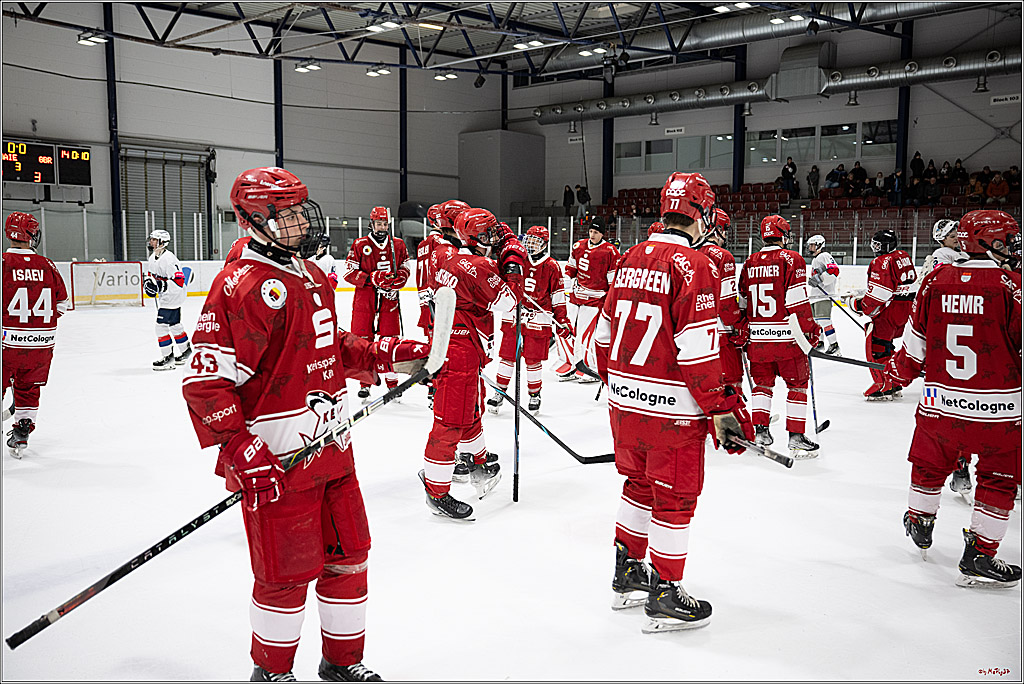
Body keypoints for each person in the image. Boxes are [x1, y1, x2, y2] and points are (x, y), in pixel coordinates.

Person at [182, 166, 430, 682]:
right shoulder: (240, 287)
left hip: (333, 451)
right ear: (253, 220)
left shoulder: (311, 274)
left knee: (350, 556)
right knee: (286, 573)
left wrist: (387, 354)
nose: (301, 221)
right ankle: (271, 671)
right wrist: (238, 448)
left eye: (300, 210)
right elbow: (206, 382)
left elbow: (331, 347)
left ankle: (342, 661)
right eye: (287, 213)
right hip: (279, 463)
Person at [594, 171, 754, 633]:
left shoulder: (629, 256)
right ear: (701, 215)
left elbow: (602, 335)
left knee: (637, 485)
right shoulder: (696, 264)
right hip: (673, 412)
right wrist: (721, 408)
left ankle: (628, 574)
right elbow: (698, 350)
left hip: (624, 402)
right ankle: (665, 591)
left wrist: (619, 385)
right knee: (675, 497)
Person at [886, 209, 1021, 587]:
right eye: (1008, 240)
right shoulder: (1011, 285)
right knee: (999, 479)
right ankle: (980, 553)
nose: (1013, 246)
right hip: (998, 411)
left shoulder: (935, 280)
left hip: (939, 404)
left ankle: (920, 520)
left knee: (928, 465)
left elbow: (914, 344)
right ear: (989, 242)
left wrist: (898, 373)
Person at [419, 208, 526, 519]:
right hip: (459, 349)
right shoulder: (477, 266)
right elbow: (510, 302)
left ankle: (477, 460)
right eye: (490, 233)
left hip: (457, 343)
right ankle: (437, 492)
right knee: (450, 420)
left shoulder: (448, 256)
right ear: (476, 237)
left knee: (470, 410)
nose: (495, 237)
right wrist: (513, 261)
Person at [738, 215, 821, 458]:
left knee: (761, 386)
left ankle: (761, 433)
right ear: (782, 235)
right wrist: (810, 330)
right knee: (797, 384)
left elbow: (742, 301)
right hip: (787, 340)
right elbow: (797, 302)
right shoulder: (792, 259)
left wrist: (744, 328)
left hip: (757, 340)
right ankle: (796, 437)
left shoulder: (750, 261)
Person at [2, 212, 68, 458]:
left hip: (6, 344)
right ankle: (22, 429)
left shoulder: (3, 263)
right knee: (28, 388)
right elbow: (62, 304)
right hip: (41, 345)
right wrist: (36, 326)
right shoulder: (47, 265)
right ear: (30, 234)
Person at [486, 225, 572, 415]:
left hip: (538, 319)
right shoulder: (518, 260)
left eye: (536, 241)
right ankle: (499, 392)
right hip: (514, 316)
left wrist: (562, 320)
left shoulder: (551, 266)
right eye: (529, 241)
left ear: (545, 244)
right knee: (507, 357)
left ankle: (534, 394)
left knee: (533, 360)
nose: (531, 245)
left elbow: (558, 297)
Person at [343, 206, 411, 401]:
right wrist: (372, 278)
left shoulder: (398, 245)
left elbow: (406, 267)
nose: (382, 227)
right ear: (371, 224)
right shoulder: (360, 244)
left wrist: (400, 278)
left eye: (384, 224)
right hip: (364, 300)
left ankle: (392, 385)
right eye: (378, 224)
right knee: (363, 341)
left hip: (390, 299)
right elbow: (348, 272)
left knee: (389, 341)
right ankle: (365, 383)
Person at [844, 229, 917, 400]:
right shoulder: (903, 256)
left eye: (878, 245)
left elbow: (880, 294)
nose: (875, 248)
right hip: (906, 308)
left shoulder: (882, 261)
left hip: (890, 311)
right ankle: (895, 381)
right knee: (887, 345)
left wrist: (857, 305)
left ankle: (884, 384)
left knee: (877, 346)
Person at [697, 208, 747, 397]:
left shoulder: (689, 254)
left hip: (693, 332)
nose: (725, 234)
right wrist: (739, 324)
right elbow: (726, 302)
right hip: (721, 334)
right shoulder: (723, 256)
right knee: (731, 383)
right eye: (724, 228)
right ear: (716, 228)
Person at [565, 218, 621, 383]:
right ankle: (571, 363)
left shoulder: (610, 251)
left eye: (596, 232)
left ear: (602, 234)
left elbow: (612, 281)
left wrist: (609, 301)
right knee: (568, 330)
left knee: (586, 334)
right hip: (576, 296)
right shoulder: (578, 246)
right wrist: (567, 286)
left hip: (595, 300)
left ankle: (590, 367)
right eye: (590, 231)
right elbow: (570, 269)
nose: (592, 235)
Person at [144, 228, 190, 370]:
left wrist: (160, 285)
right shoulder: (152, 258)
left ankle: (168, 358)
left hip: (173, 296)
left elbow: (179, 282)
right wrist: (149, 284)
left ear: (162, 242)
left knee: (161, 327)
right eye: (151, 239)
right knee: (175, 325)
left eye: (154, 239)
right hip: (166, 296)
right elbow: (151, 276)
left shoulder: (169, 260)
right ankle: (187, 353)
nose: (151, 242)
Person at [806, 234, 841, 355]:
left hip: (823, 296)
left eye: (812, 245)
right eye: (809, 245)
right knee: (817, 322)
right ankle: (820, 343)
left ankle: (834, 344)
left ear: (819, 245)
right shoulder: (815, 259)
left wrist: (820, 278)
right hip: (816, 296)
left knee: (824, 321)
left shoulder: (824, 255)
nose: (810, 248)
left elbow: (835, 270)